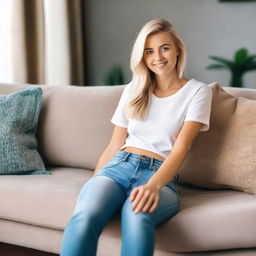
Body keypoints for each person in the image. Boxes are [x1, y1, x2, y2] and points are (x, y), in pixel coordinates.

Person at [60, 18, 213, 256]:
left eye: (165, 48)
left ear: (177, 50)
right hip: (118, 167)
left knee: (136, 213)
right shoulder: (134, 89)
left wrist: (153, 185)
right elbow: (114, 144)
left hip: (158, 173)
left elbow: (181, 148)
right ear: (142, 56)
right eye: (149, 51)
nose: (158, 57)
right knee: (86, 214)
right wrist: (94, 182)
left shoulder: (197, 91)